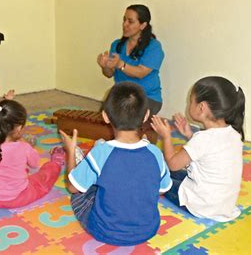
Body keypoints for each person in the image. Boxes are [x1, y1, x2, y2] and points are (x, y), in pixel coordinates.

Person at [59, 82, 172, 246]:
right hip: (148, 229)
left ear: (105, 116)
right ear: (146, 115)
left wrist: (70, 151)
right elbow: (162, 188)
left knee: (80, 193)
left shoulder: (101, 153)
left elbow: (71, 187)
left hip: (105, 231)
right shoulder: (155, 153)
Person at [150, 76, 245, 222]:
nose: (189, 103)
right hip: (222, 204)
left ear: (201, 107)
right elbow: (208, 151)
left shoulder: (203, 139)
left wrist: (166, 136)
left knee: (158, 174)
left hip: (201, 206)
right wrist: (189, 134)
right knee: (172, 173)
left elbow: (173, 164)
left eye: (191, 100)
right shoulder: (233, 133)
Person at [0, 99, 64, 208]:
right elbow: (35, 163)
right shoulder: (23, 147)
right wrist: (25, 143)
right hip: (18, 198)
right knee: (44, 176)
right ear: (19, 128)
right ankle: (56, 162)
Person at [97, 4, 165, 115]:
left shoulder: (154, 47)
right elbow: (109, 74)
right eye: (124, 20)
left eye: (130, 21)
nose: (125, 25)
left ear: (143, 25)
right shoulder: (117, 44)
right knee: (104, 119)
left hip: (147, 97)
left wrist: (120, 64)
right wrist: (105, 66)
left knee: (125, 121)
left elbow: (141, 73)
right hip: (121, 95)